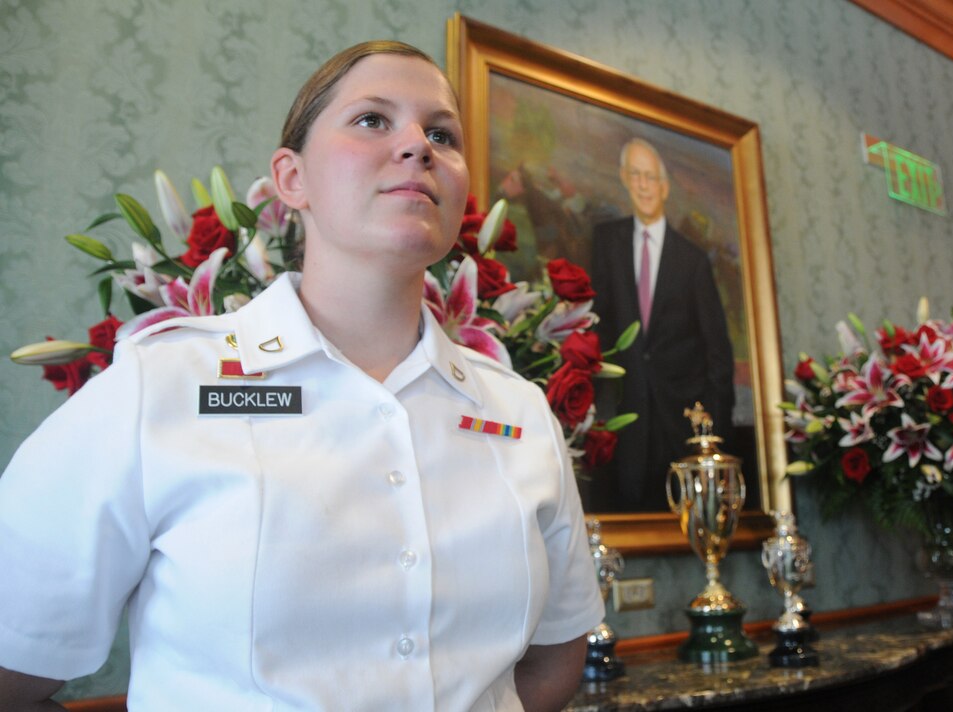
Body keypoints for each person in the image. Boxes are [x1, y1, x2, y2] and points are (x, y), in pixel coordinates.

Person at [0, 41, 603, 711]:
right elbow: (13, 666)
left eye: (441, 133)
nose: (417, 146)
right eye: (373, 119)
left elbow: (552, 667)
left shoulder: (519, 413)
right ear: (292, 179)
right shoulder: (159, 387)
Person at [590, 137, 735, 512]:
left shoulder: (693, 261)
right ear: (624, 178)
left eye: (650, 177)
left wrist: (715, 437)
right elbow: (593, 324)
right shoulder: (605, 243)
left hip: (678, 425)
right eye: (635, 174)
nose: (642, 184)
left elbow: (718, 353)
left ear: (664, 187)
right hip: (620, 422)